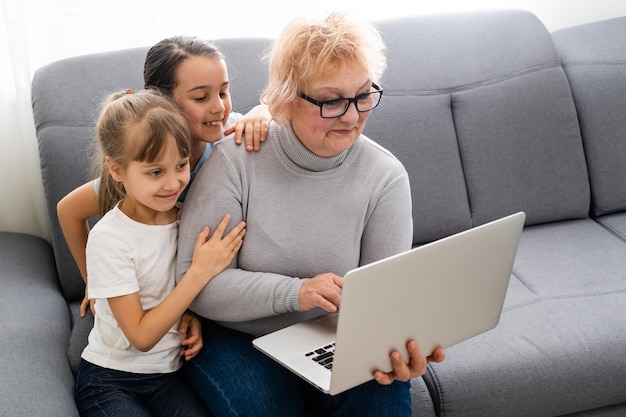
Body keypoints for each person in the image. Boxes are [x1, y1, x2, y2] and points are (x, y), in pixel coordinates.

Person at [176, 12, 445, 417]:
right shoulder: (237, 160)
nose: (353, 117)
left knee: (384, 396)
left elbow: (385, 302)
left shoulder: (385, 177)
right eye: (332, 100)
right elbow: (196, 284)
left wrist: (402, 344)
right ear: (284, 99)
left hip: (332, 338)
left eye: (363, 95)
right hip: (237, 337)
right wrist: (295, 292)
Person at [57, 35, 270, 321]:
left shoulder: (232, 133)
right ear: (163, 101)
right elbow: (68, 210)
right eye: (201, 97)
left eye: (223, 92)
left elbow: (275, 121)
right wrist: (95, 283)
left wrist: (263, 112)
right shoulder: (145, 170)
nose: (219, 107)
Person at [74, 89, 246, 417]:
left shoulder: (187, 217)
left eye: (181, 165)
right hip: (110, 380)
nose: (173, 183)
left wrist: (189, 315)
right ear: (117, 170)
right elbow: (140, 335)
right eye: (155, 172)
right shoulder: (109, 238)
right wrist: (199, 273)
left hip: (168, 377)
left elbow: (165, 290)